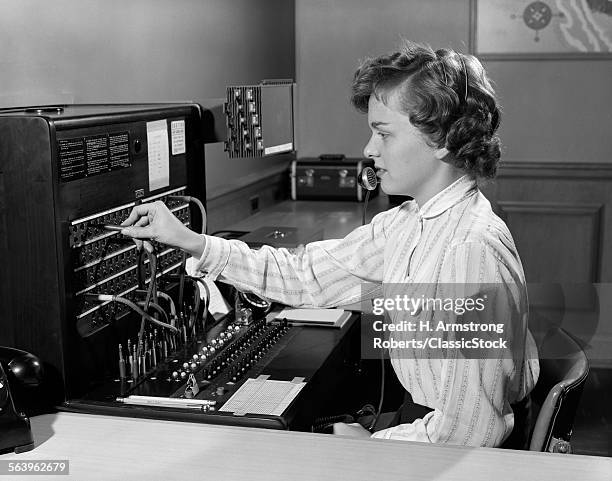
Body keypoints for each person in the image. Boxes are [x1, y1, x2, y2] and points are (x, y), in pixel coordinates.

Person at [121, 40, 539, 447]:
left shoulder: (469, 250)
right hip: (426, 428)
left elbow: (470, 433)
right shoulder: (409, 223)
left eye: (384, 134)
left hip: (449, 452)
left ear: (444, 139)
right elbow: (306, 276)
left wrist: (371, 444)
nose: (369, 149)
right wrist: (190, 241)